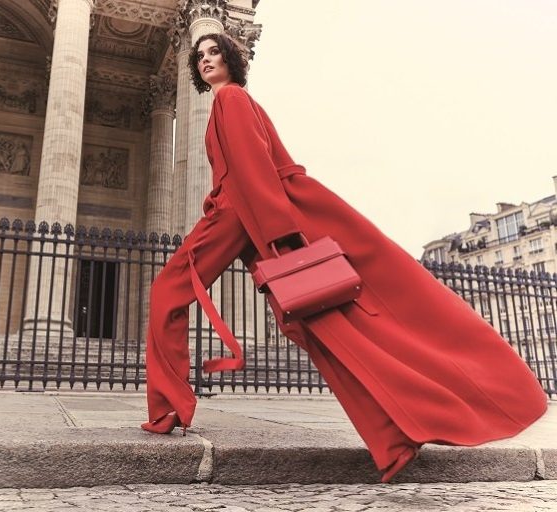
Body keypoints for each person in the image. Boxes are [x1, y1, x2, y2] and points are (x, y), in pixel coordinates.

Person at [141, 32, 547, 483]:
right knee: (319, 325)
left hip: (241, 213)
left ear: (231, 58)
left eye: (214, 52)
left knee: (168, 291)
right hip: (246, 212)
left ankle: (167, 409)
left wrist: (279, 235)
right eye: (199, 56)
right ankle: (392, 438)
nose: (205, 60)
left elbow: (253, 165)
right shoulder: (231, 101)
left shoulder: (232, 98)